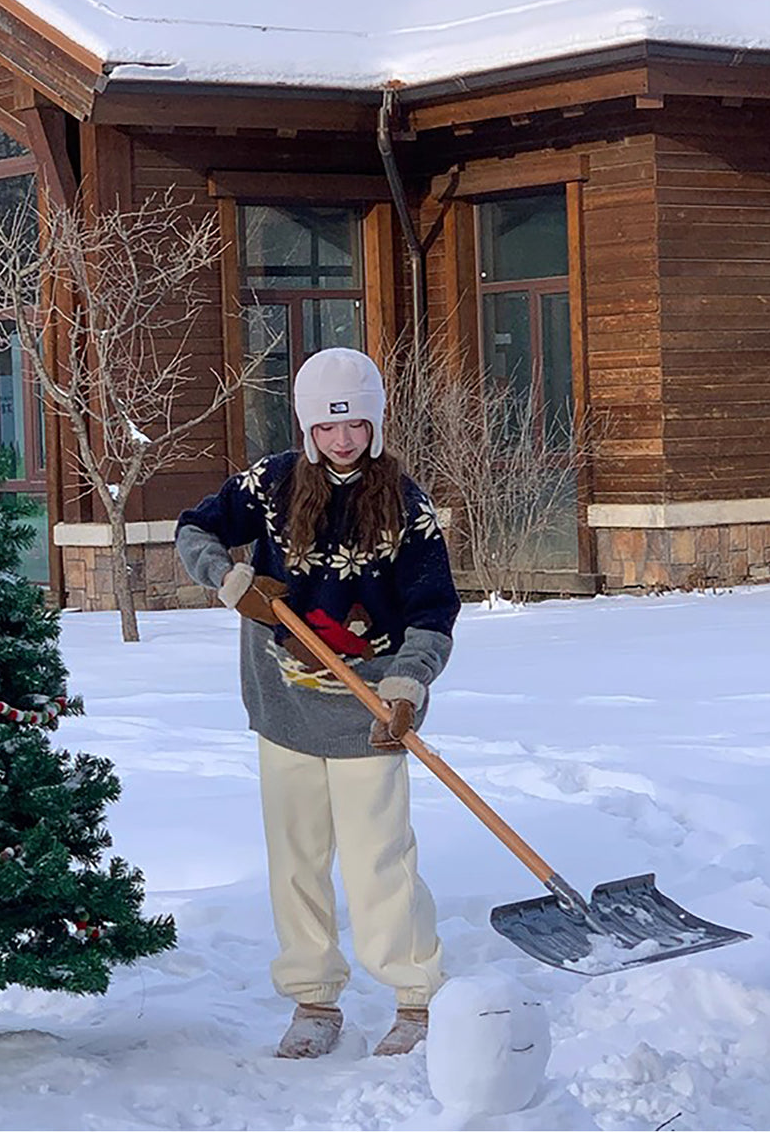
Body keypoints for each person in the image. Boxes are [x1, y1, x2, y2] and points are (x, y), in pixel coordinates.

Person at [175, 347, 461, 1060]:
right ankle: (314, 997)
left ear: (376, 425)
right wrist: (228, 580)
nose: (343, 441)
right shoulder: (267, 485)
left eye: (357, 425)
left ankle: (415, 995)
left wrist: (406, 684)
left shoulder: (407, 504)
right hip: (285, 708)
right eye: (330, 427)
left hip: (372, 713)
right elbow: (193, 528)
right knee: (296, 859)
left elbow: (432, 610)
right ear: (307, 425)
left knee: (379, 860)